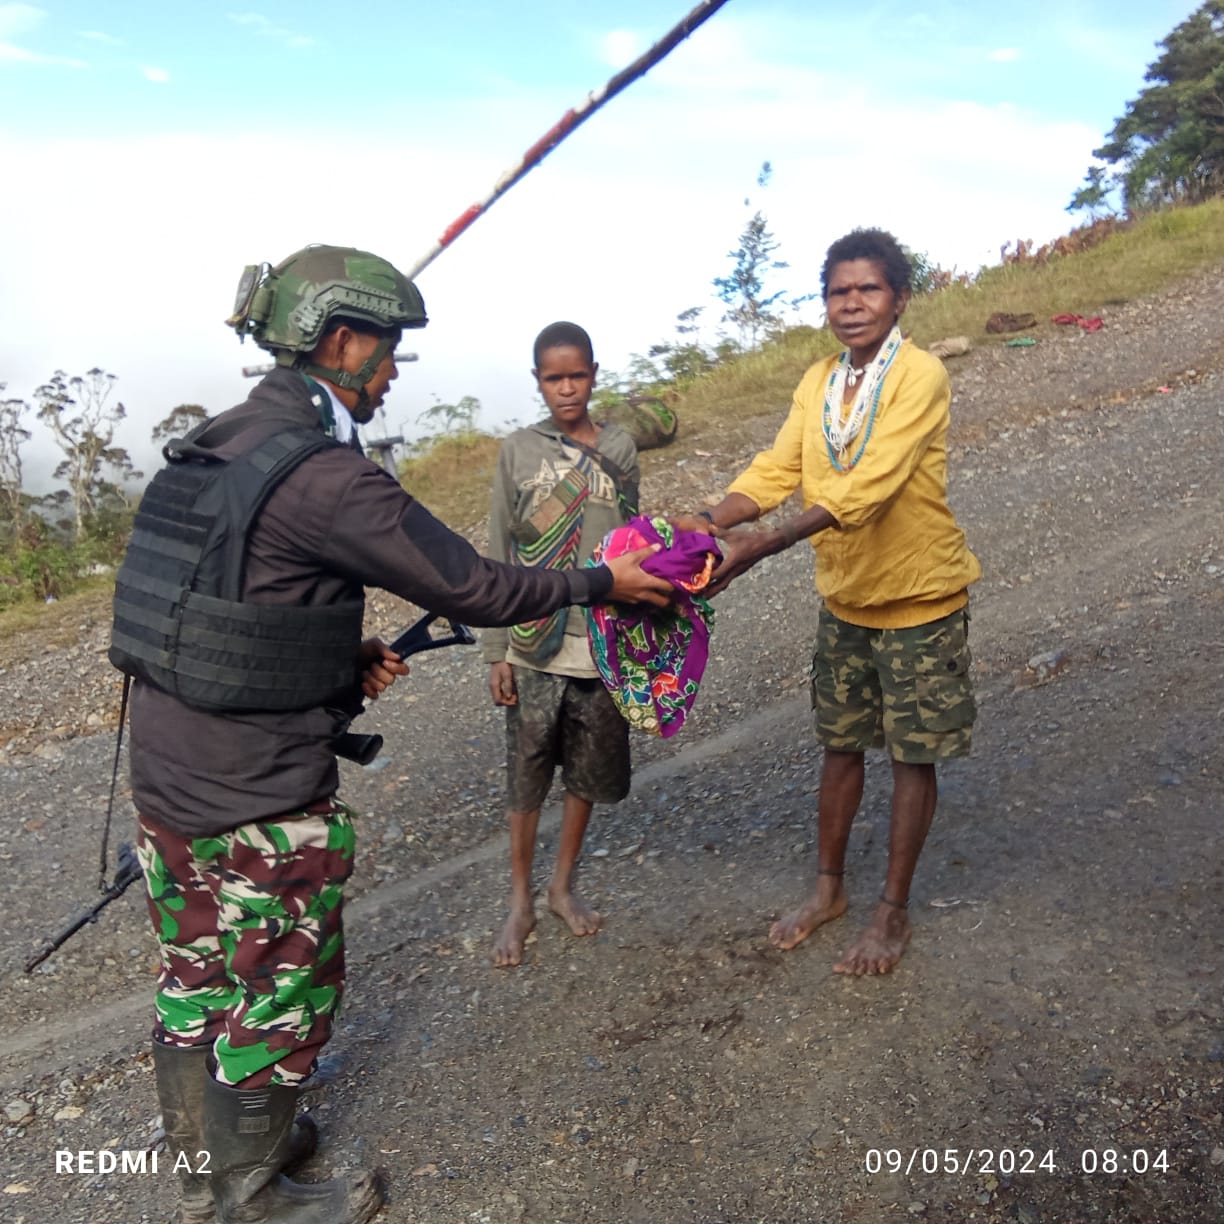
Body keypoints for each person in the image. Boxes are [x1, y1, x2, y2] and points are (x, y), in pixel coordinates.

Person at [109, 247, 671, 1224]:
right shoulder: (325, 475)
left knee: (196, 968)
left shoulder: (213, 447)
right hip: (256, 798)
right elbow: (477, 585)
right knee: (281, 983)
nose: (395, 371)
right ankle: (248, 1195)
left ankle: (212, 1160)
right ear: (339, 340)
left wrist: (331, 659)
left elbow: (216, 609)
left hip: (166, 779)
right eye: (388, 351)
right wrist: (600, 584)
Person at [673, 228, 981, 977]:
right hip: (846, 599)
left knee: (913, 757)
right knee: (839, 747)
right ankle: (829, 892)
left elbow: (864, 485)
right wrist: (716, 519)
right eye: (838, 292)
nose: (851, 304)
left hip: (919, 597)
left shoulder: (920, 376)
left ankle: (891, 912)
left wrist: (765, 545)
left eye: (867, 289)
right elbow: (783, 464)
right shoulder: (819, 382)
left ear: (899, 297)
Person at [483, 322, 638, 968]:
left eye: (577, 376)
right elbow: (498, 549)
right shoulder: (517, 452)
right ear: (538, 381)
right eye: (554, 378)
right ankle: (519, 899)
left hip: (600, 642)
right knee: (527, 777)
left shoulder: (622, 449)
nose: (567, 388)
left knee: (586, 772)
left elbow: (633, 547)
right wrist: (495, 651)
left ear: (594, 375)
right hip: (533, 641)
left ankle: (560, 886)